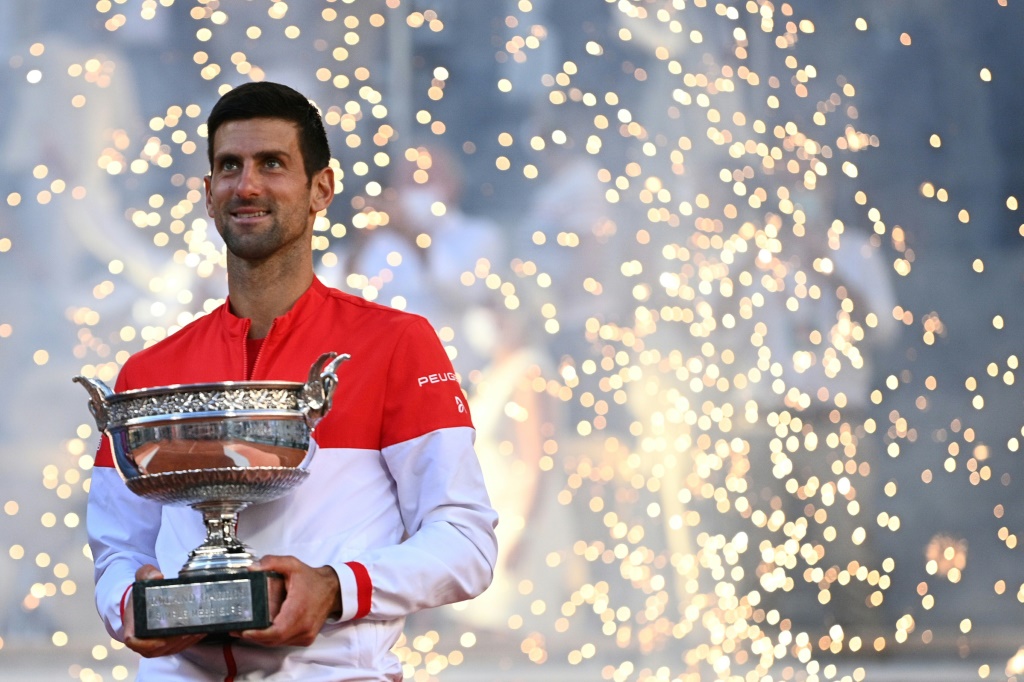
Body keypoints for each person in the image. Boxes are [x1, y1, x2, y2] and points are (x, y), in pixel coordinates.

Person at [85, 81, 499, 681]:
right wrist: (131, 604)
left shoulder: (394, 344)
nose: (246, 185)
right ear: (207, 193)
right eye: (229, 166)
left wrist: (335, 589)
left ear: (320, 189)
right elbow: (118, 548)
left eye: (272, 164)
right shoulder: (148, 373)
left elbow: (466, 540)